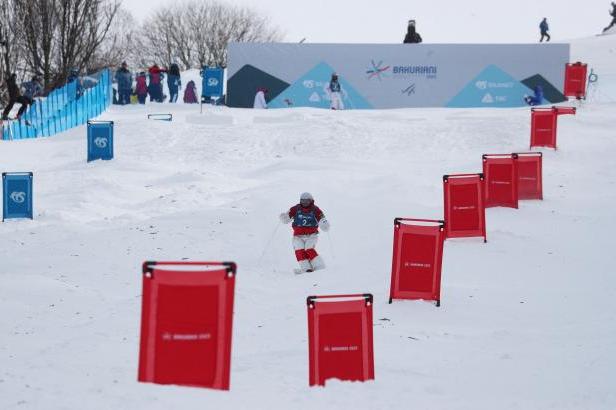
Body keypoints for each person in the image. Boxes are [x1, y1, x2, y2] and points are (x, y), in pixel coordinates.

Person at [280, 192, 330, 273]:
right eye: (303, 201)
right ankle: (306, 268)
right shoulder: (296, 208)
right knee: (299, 250)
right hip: (298, 236)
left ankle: (319, 266)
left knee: (308, 248)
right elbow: (287, 218)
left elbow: (322, 218)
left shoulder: (315, 209)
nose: (305, 203)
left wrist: (324, 224)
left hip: (311, 235)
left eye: (307, 201)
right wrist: (284, 217)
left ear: (311, 201)